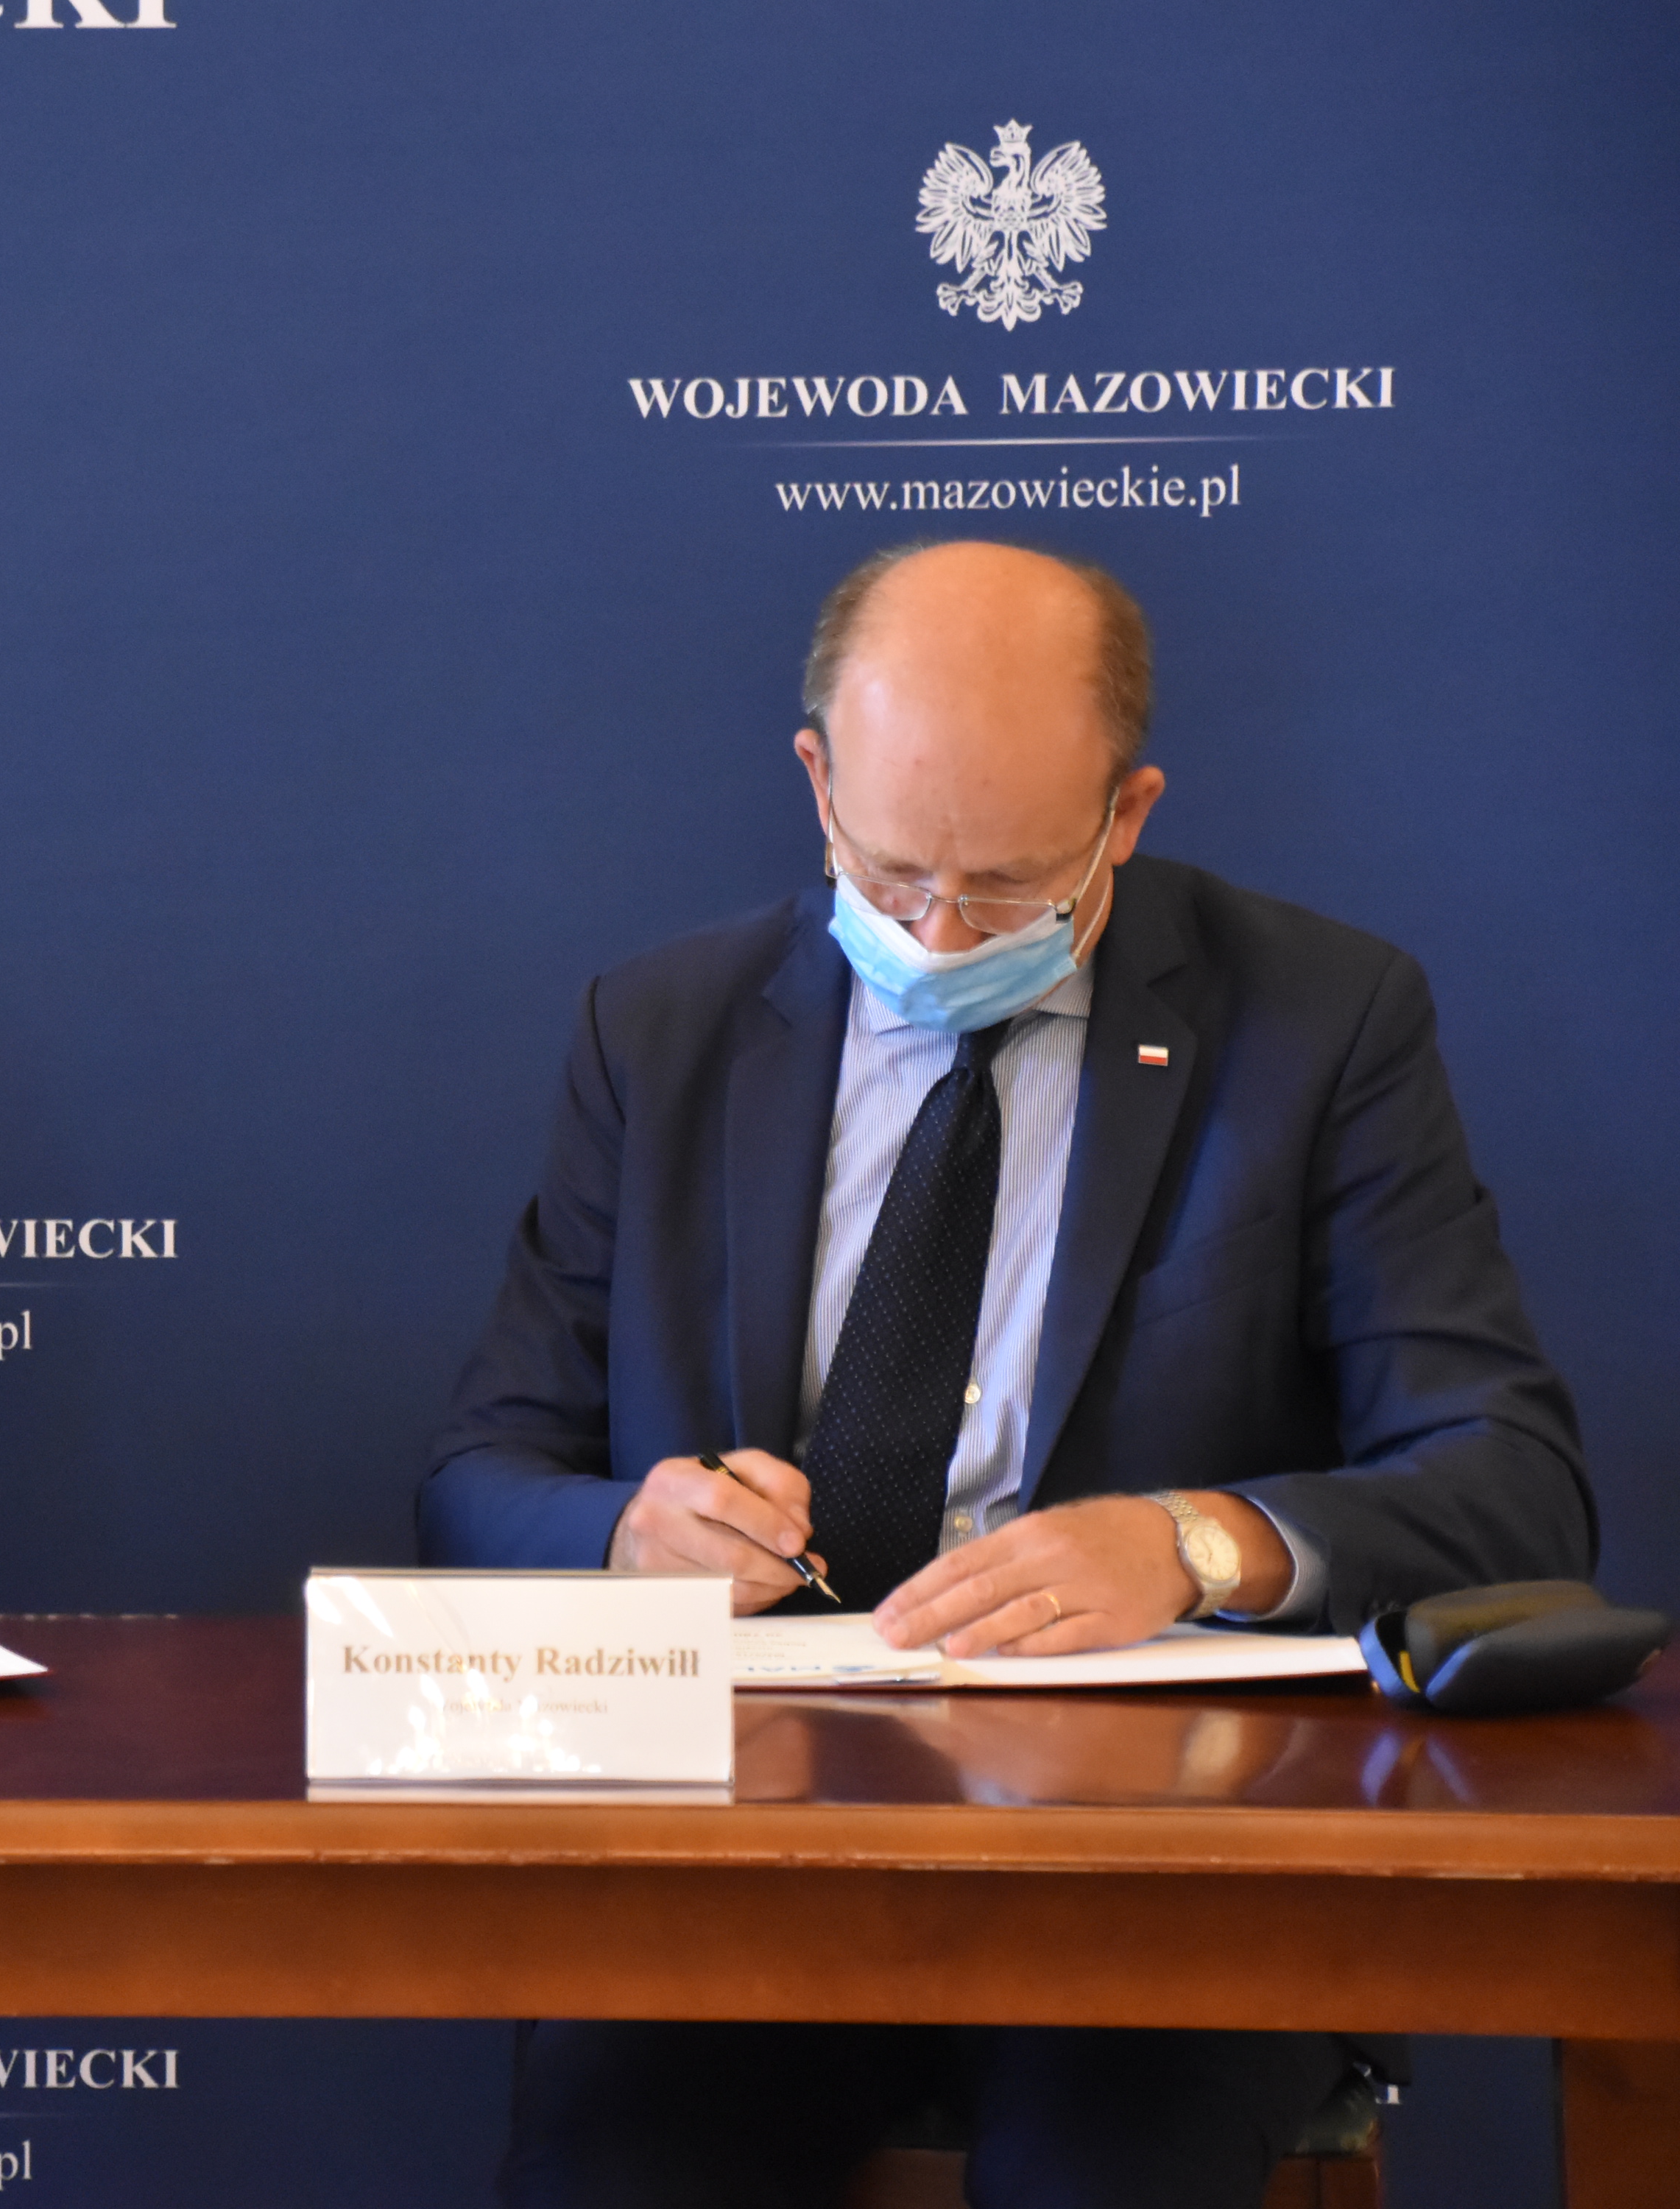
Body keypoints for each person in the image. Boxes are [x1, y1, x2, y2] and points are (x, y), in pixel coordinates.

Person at [420, 540, 1594, 2209]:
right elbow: (480, 1477)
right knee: (616, 2166)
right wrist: (626, 1536)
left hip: (1167, 1872)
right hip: (748, 1851)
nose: (937, 930)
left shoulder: (1320, 1022)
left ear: (1128, 814)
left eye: (1010, 886)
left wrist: (1197, 1543)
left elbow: (1511, 1480)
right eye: (894, 871)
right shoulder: (663, 1029)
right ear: (815, 780)